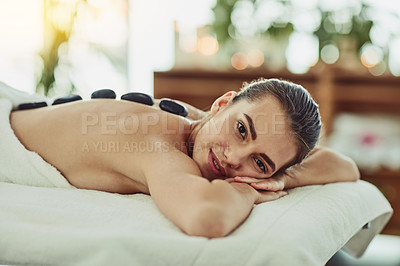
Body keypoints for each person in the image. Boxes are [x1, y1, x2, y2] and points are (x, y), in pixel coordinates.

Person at [10, 78, 360, 238]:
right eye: (241, 129)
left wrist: (280, 177)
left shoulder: (200, 125)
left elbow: (344, 167)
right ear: (222, 104)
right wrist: (250, 190)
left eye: (260, 162)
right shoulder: (161, 145)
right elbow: (206, 217)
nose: (234, 158)